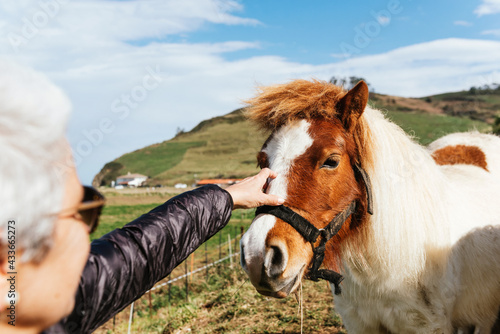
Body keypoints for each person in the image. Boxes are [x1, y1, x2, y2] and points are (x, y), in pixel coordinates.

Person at [0, 61, 284, 333]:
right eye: (81, 210)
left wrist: (226, 197)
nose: (88, 231)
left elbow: (140, 251)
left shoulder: (36, 303)